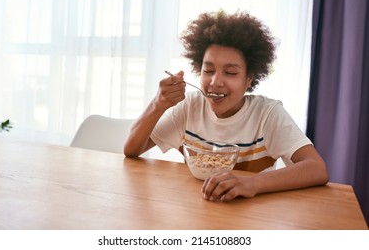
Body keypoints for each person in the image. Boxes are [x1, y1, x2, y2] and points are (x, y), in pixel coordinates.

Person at [124, 10, 329, 202]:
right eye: (208, 70)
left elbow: (316, 169)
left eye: (230, 73)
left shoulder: (267, 113)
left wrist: (253, 182)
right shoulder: (190, 107)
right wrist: (158, 104)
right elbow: (132, 149)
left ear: (249, 78)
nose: (215, 81)